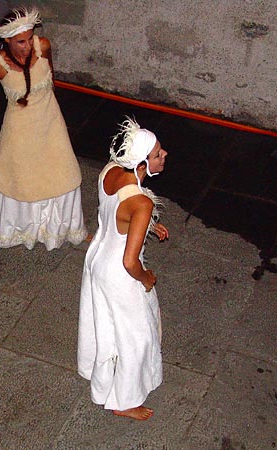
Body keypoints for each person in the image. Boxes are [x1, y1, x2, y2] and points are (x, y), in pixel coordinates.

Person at [0, 7, 88, 250]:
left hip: (50, 120)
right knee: (21, 180)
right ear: (7, 40)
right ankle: (22, 230)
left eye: (30, 37)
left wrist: (57, 113)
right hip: (19, 129)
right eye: (21, 41)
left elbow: (52, 79)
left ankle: (62, 228)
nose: (27, 45)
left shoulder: (43, 46)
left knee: (65, 173)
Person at [77, 118, 169, 420]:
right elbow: (130, 262)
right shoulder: (141, 203)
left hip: (95, 261)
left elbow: (117, 211)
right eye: (157, 154)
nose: (164, 154)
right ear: (142, 163)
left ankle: (102, 375)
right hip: (119, 272)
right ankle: (125, 401)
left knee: (105, 325)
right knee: (135, 336)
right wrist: (147, 279)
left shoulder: (112, 169)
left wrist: (147, 227)